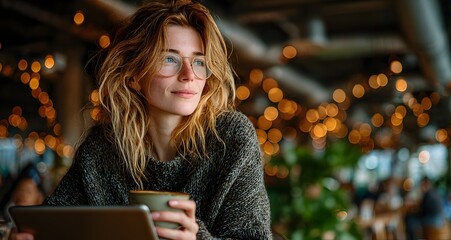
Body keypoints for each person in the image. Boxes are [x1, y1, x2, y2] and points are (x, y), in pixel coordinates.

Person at [11, 0, 272, 239]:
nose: (189, 74)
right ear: (134, 76)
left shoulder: (231, 139)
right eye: (169, 58)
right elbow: (55, 223)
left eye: (199, 62)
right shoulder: (103, 148)